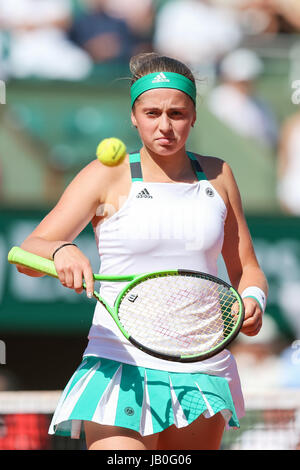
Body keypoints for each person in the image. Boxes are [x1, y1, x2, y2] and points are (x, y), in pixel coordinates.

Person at [16, 52, 268, 450]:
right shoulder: (106, 174)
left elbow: (247, 268)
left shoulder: (220, 175)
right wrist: (62, 251)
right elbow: (29, 251)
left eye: (177, 114)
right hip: (120, 362)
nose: (164, 126)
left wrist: (253, 298)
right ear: (134, 116)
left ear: (194, 117)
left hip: (201, 367)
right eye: (152, 113)